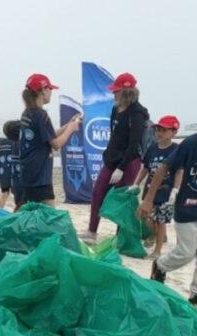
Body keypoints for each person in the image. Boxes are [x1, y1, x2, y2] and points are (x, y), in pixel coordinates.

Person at [81, 72, 149, 243]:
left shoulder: (138, 113)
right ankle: (92, 231)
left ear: (127, 92)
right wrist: (108, 157)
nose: (113, 94)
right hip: (110, 160)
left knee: (122, 201)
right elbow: (114, 135)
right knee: (98, 193)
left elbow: (134, 142)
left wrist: (122, 167)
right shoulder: (115, 109)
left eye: (116, 91)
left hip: (129, 162)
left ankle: (121, 237)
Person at [139, 133, 197, 305]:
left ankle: (194, 297)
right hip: (187, 208)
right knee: (186, 252)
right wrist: (149, 199)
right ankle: (161, 266)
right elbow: (164, 167)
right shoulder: (191, 143)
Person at [18, 73, 81, 207]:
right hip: (40, 176)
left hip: (27, 173)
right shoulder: (41, 115)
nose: (51, 92)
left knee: (31, 214)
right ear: (43, 91)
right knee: (50, 216)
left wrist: (66, 125)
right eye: (50, 89)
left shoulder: (28, 112)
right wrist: (71, 129)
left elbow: (47, 137)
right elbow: (56, 144)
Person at [135, 115, 181, 260]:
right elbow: (145, 168)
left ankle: (157, 251)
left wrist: (176, 189)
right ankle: (154, 234)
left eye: (164, 130)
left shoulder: (177, 149)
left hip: (166, 193)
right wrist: (135, 184)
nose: (159, 133)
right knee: (145, 216)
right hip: (149, 190)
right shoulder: (152, 148)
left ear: (174, 132)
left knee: (161, 221)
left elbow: (180, 170)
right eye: (157, 129)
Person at [0, 120, 20, 209]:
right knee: (18, 194)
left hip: (3, 173)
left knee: (5, 193)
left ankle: (0, 209)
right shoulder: (17, 144)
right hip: (15, 173)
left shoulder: (0, 144)